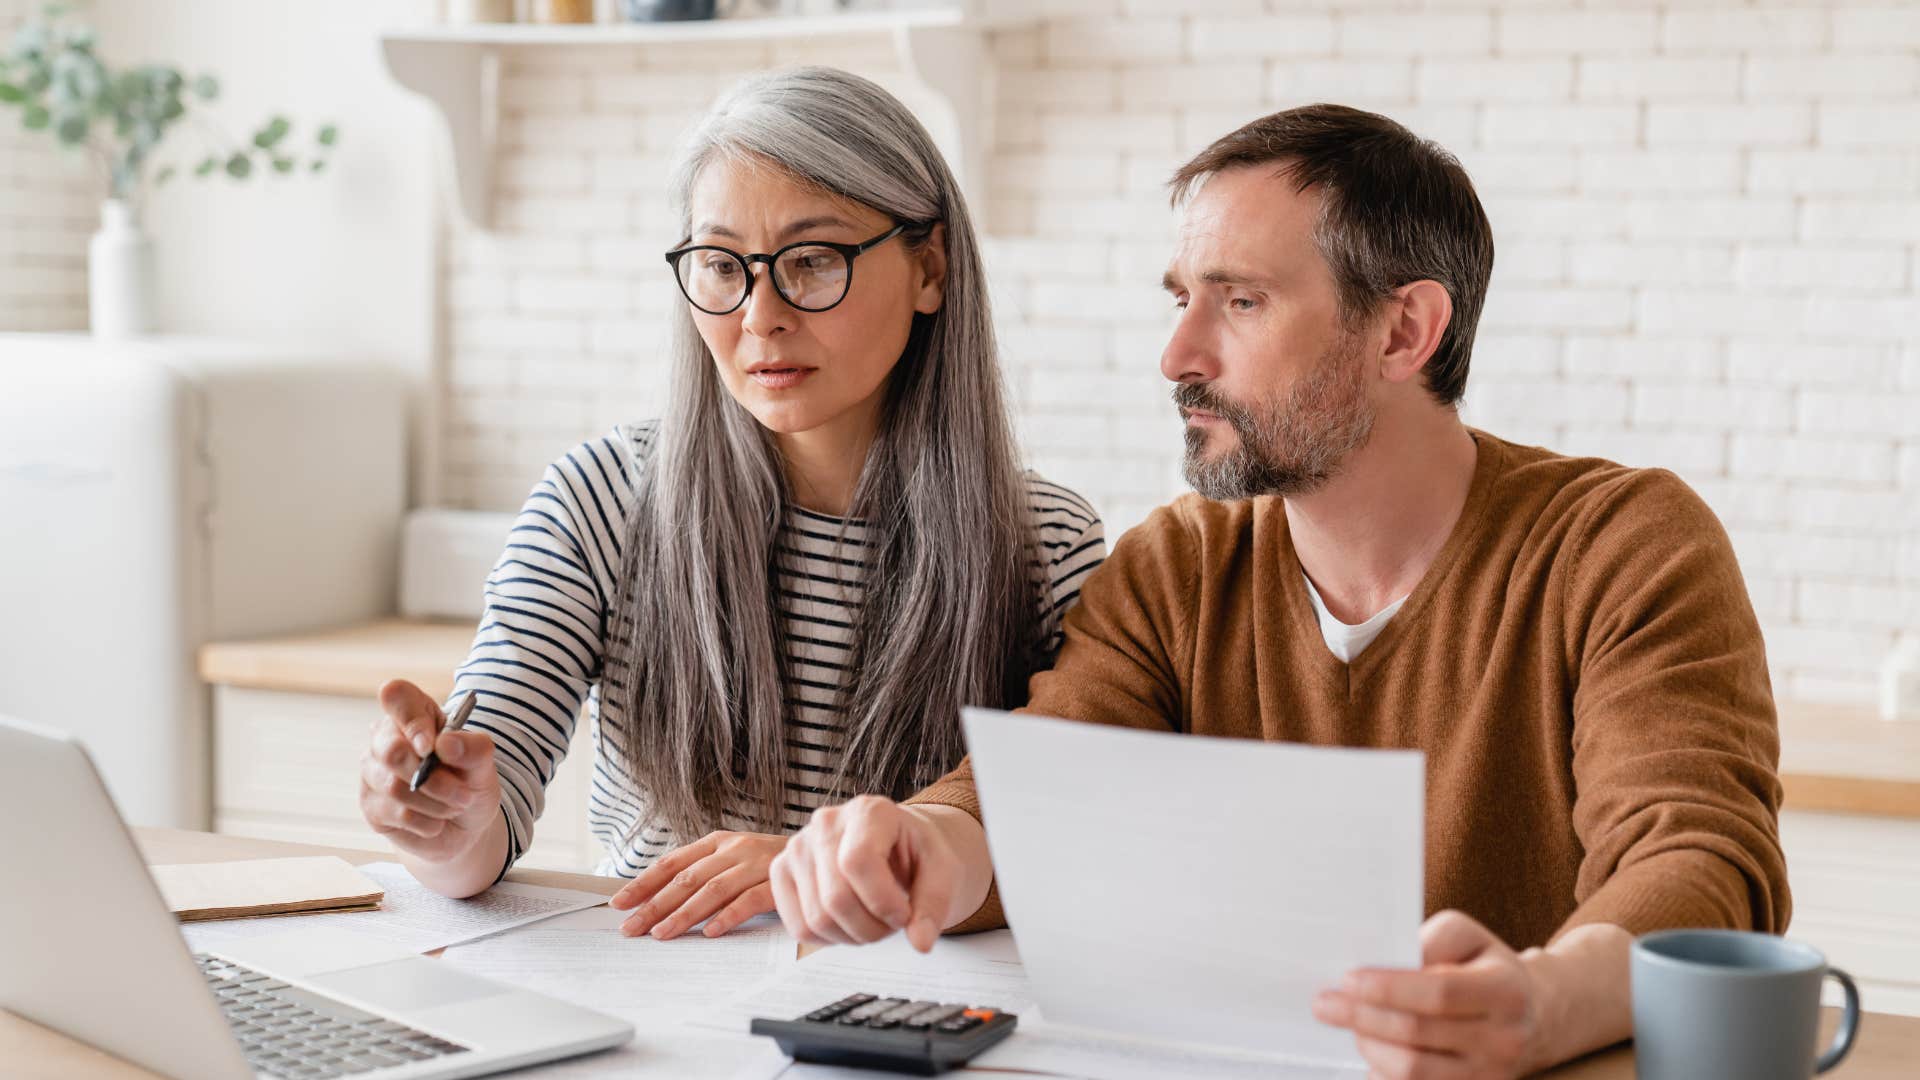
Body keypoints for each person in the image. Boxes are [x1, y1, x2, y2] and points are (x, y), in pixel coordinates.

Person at [767, 103, 1789, 1079]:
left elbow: (1702, 862)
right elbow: (1040, 796)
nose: (1178, 356)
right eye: (1181, 299)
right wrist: (916, 849)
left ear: (1403, 332)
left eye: (1241, 301)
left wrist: (1540, 1003)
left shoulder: (1620, 546)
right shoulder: (1176, 567)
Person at [354, 67, 1104, 942]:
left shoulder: (1045, 543)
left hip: (915, 1004)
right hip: (661, 991)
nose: (761, 316)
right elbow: (483, 824)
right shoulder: (603, 497)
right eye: (721, 266)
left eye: (814, 261)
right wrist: (441, 814)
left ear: (929, 267)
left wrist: (809, 874)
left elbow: (1066, 842)